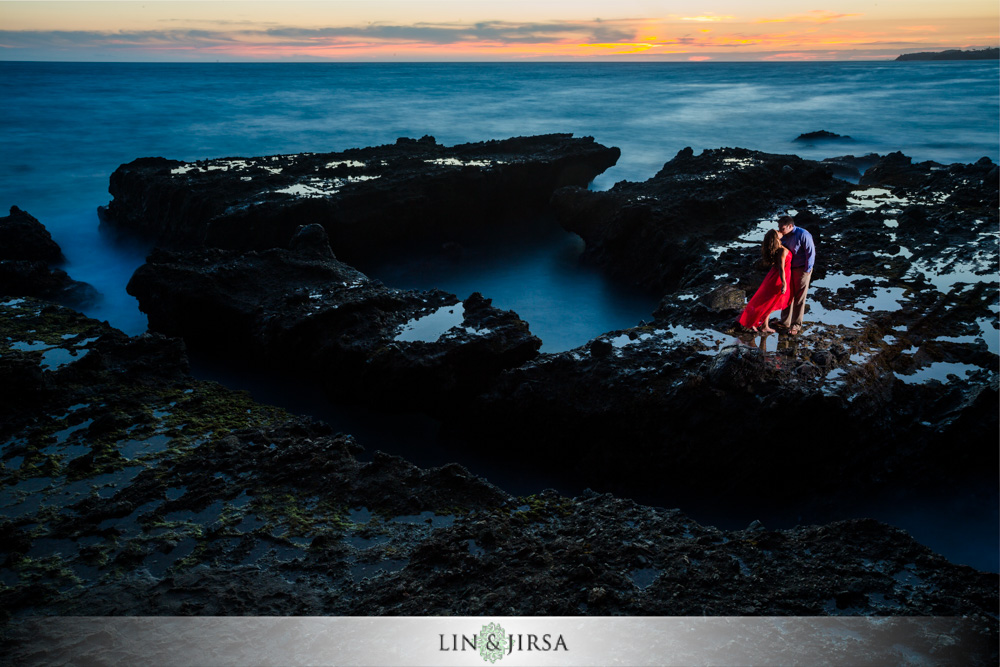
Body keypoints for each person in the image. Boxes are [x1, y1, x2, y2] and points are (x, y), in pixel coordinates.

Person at [738, 229, 792, 333]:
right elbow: (781, 268)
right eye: (778, 232)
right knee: (767, 303)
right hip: (778, 278)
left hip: (774, 276)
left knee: (768, 303)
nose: (781, 232)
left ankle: (764, 326)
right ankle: (755, 323)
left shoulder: (777, 249)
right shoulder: (782, 251)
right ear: (776, 238)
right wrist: (784, 283)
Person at [776, 215, 816, 336]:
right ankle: (785, 321)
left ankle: (796, 325)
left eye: (782, 228)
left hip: (802, 269)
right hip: (788, 270)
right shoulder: (782, 236)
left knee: (799, 297)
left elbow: (811, 252)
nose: (780, 230)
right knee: (787, 295)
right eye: (779, 228)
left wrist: (807, 270)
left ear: (790, 226)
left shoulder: (803, 234)